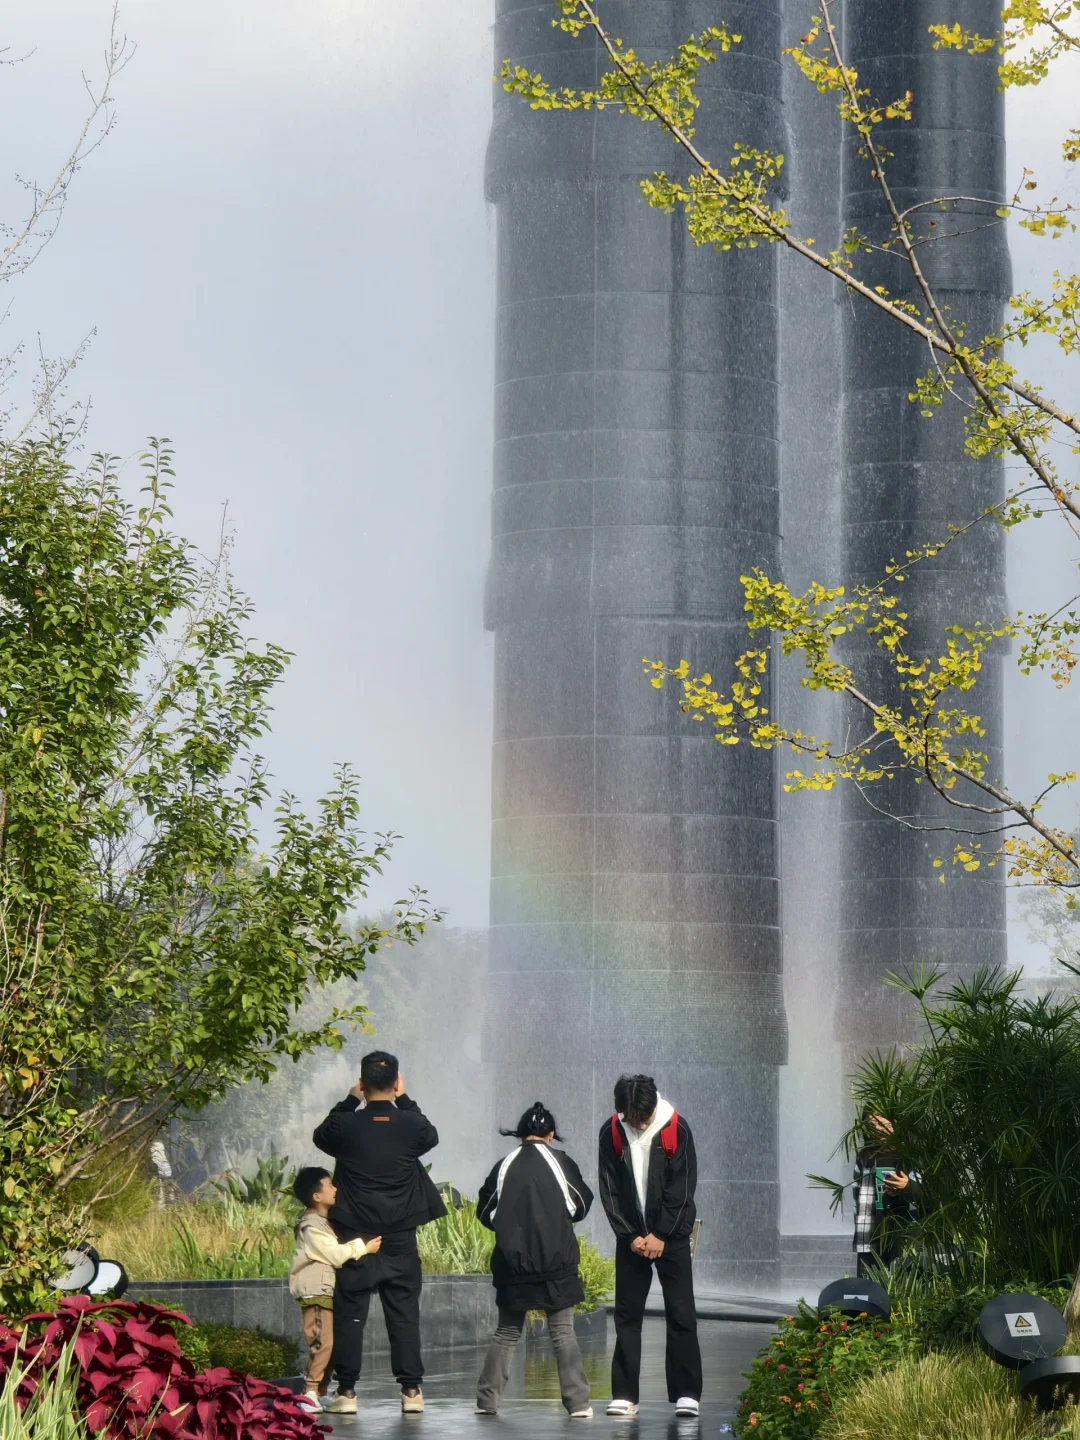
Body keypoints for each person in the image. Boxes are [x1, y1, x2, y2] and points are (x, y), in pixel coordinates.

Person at [312, 1050, 446, 1415]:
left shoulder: (346, 1126)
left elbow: (321, 1135)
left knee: (351, 1313)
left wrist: (351, 1099)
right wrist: (403, 1099)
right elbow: (430, 1134)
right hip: (401, 1237)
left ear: (362, 1082)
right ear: (396, 1082)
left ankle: (347, 1392)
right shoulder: (411, 1125)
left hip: (356, 1237)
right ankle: (411, 1391)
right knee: (404, 1314)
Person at [475, 1101, 594, 1418]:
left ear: (522, 1133)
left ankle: (488, 1402)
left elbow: (485, 1212)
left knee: (507, 1333)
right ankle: (578, 1404)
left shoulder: (504, 1165)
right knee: (563, 1333)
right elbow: (580, 1205)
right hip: (556, 1263)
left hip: (513, 1265)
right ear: (551, 1134)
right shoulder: (561, 1162)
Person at [598, 1074, 701, 1420]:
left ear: (653, 1106)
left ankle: (687, 1393)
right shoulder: (611, 1131)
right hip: (633, 1240)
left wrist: (660, 1234)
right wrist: (631, 1235)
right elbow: (609, 1190)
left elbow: (682, 1190)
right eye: (629, 1116)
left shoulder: (676, 1129)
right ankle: (625, 1394)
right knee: (627, 1316)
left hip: (669, 1237)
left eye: (641, 1117)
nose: (636, 1124)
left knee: (681, 1312)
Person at [288, 1166, 383, 1414]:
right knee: (323, 1342)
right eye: (330, 1184)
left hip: (323, 1289)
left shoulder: (321, 1222)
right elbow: (335, 1254)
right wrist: (363, 1247)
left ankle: (317, 1392)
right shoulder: (312, 1226)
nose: (335, 1188)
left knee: (330, 1343)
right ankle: (308, 1391)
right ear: (316, 1196)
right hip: (315, 1291)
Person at [852, 1113, 917, 1278]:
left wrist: (907, 1187)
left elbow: (926, 1195)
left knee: (903, 1282)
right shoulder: (865, 1157)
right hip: (871, 1232)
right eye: (872, 1125)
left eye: (884, 1125)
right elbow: (856, 1195)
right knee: (868, 1286)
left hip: (903, 1231)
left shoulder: (910, 1155)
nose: (878, 1130)